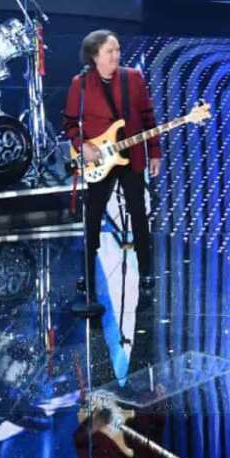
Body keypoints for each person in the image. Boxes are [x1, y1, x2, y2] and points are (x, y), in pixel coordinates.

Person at [62, 31, 161, 301]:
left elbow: (148, 117)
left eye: (117, 50)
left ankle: (146, 270)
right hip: (99, 160)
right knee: (93, 215)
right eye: (110, 51)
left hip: (131, 155)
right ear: (94, 56)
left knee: (138, 213)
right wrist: (82, 145)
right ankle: (88, 272)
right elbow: (70, 123)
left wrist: (154, 152)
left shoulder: (133, 78)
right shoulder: (80, 85)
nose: (116, 55)